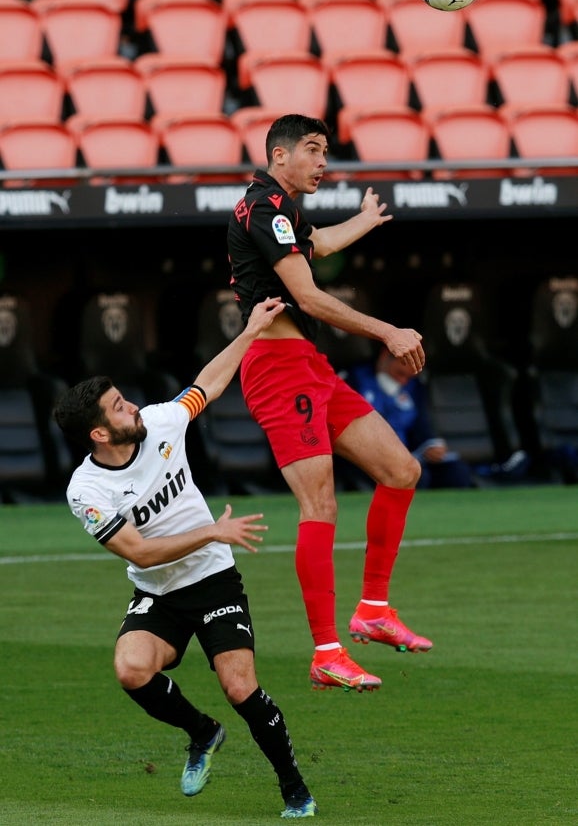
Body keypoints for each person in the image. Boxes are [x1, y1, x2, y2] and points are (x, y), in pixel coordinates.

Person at [53, 297, 318, 821]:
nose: (132, 407)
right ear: (99, 435)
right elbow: (140, 552)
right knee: (130, 670)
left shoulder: (160, 423)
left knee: (240, 685)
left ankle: (295, 790)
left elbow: (207, 385)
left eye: (124, 398)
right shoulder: (86, 490)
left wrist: (252, 331)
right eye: (119, 408)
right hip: (158, 590)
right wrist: (212, 530)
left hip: (214, 580)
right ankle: (203, 733)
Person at [227, 113, 433, 695]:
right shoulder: (263, 208)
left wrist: (365, 221)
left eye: (326, 152)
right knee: (320, 505)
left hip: (311, 368)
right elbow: (309, 296)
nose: (323, 162)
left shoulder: (282, 210)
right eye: (313, 151)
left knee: (402, 470)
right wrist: (388, 331)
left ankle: (372, 609)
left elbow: (314, 246)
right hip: (275, 369)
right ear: (279, 155)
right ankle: (326, 652)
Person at [346, 346, 474, 490]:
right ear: (384, 356)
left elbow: (421, 422)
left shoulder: (414, 386)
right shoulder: (355, 379)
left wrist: (430, 444)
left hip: (409, 454)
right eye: (400, 373)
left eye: (408, 377)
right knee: (413, 476)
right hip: (369, 458)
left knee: (456, 472)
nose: (403, 381)